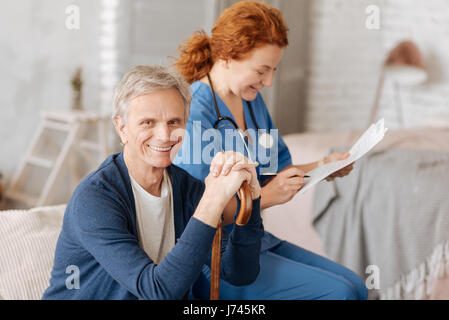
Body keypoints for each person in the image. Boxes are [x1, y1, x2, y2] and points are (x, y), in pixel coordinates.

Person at [173, 1, 368, 299]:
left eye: (275, 70)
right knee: (340, 293)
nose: (270, 82)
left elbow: (274, 171)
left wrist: (325, 165)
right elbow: (198, 212)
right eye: (262, 70)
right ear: (226, 56)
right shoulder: (194, 113)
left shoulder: (251, 102)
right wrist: (267, 196)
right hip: (212, 256)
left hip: (251, 240)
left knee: (355, 285)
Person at [42, 65, 264, 300]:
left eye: (173, 122)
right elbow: (157, 291)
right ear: (122, 127)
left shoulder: (187, 188)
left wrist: (252, 199)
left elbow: (239, 273)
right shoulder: (95, 199)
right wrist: (212, 200)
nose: (164, 135)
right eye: (148, 122)